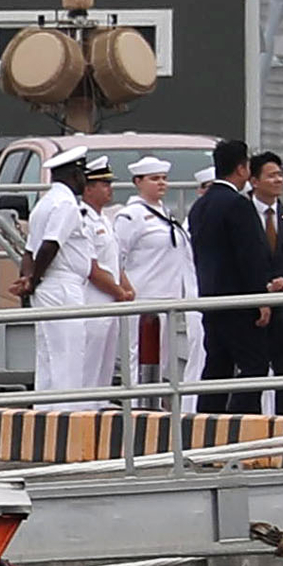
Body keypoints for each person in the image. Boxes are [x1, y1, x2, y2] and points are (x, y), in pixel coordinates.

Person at [14, 149, 121, 410]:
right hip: (62, 285)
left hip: (48, 287)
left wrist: (29, 281)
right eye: (82, 175)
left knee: (49, 356)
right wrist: (34, 280)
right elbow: (50, 246)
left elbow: (29, 252)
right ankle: (67, 416)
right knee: (69, 357)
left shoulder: (44, 203)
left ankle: (45, 413)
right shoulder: (66, 205)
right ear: (74, 175)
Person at [187, 146, 283, 417]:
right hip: (239, 301)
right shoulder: (237, 205)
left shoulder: (201, 205)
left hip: (212, 297)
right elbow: (250, 255)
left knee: (217, 367)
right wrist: (260, 298)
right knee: (254, 366)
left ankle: (206, 428)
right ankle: (239, 425)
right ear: (242, 169)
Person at [106, 157, 191, 405]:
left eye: (164, 178)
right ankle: (136, 406)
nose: (161, 183)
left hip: (167, 296)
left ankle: (152, 404)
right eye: (154, 179)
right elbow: (116, 256)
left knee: (162, 358)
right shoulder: (132, 217)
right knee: (137, 355)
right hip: (142, 296)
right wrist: (122, 288)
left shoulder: (164, 213)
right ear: (138, 182)